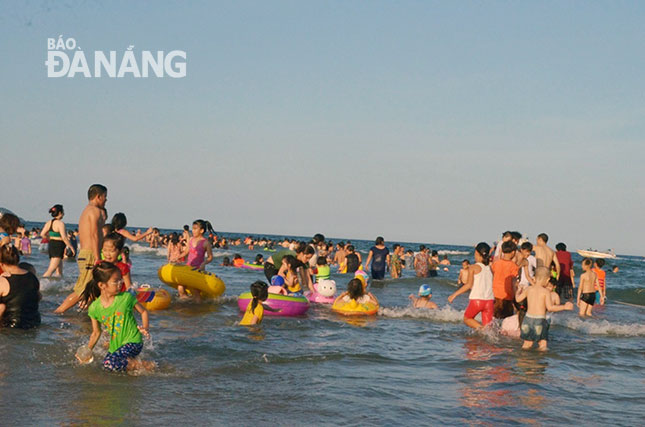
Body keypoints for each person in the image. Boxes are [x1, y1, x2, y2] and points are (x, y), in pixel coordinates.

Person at [78, 262, 153, 372]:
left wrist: (145, 328)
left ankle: (148, 365)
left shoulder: (126, 298)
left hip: (133, 341)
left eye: (120, 279)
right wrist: (87, 350)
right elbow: (96, 333)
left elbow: (144, 312)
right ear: (101, 285)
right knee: (106, 367)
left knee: (109, 363)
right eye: (115, 281)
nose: (120, 283)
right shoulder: (94, 308)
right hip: (116, 346)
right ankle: (135, 366)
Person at [55, 184, 108, 314]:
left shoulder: (88, 210)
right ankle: (58, 312)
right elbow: (94, 234)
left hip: (87, 253)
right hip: (90, 254)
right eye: (105, 197)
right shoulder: (94, 211)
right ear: (98, 196)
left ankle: (89, 314)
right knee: (83, 288)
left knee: (92, 287)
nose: (106, 200)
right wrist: (98, 257)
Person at [515, 266, 573, 351]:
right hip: (539, 320)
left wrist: (518, 291)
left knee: (527, 343)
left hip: (527, 319)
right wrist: (564, 307)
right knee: (542, 344)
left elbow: (517, 299)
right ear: (547, 280)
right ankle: (540, 363)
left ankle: (523, 361)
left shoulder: (529, 289)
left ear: (535, 278)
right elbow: (550, 308)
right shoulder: (546, 292)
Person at [448, 243, 494, 329]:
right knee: (488, 328)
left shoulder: (473, 267)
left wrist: (454, 295)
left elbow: (469, 285)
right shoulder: (490, 268)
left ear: (476, 253)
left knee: (467, 318)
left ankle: (481, 330)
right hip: (489, 301)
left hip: (477, 300)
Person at [0, 244, 41, 328]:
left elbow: (1, 308)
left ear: (1, 264)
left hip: (11, 326)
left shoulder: (2, 281)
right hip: (34, 323)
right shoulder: (32, 277)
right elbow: (39, 297)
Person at [178, 220, 214, 300]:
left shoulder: (205, 243)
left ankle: (198, 307)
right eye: (192, 228)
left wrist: (204, 263)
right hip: (188, 267)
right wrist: (178, 257)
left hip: (198, 269)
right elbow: (186, 251)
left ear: (201, 230)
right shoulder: (190, 240)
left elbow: (210, 257)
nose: (193, 231)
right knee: (180, 287)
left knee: (196, 291)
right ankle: (186, 303)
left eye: (195, 229)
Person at [41, 205, 76, 277]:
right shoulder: (60, 223)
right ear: (60, 212)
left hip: (52, 245)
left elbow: (42, 234)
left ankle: (60, 284)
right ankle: (40, 283)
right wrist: (71, 247)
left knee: (59, 270)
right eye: (63, 212)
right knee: (51, 269)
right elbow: (64, 237)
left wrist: (49, 238)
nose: (64, 213)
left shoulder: (49, 223)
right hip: (58, 246)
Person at [491, 241, 519, 319]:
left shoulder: (496, 263)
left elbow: (492, 276)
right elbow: (514, 283)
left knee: (494, 318)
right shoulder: (514, 266)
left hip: (495, 294)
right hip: (507, 295)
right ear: (513, 252)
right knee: (506, 319)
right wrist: (515, 296)